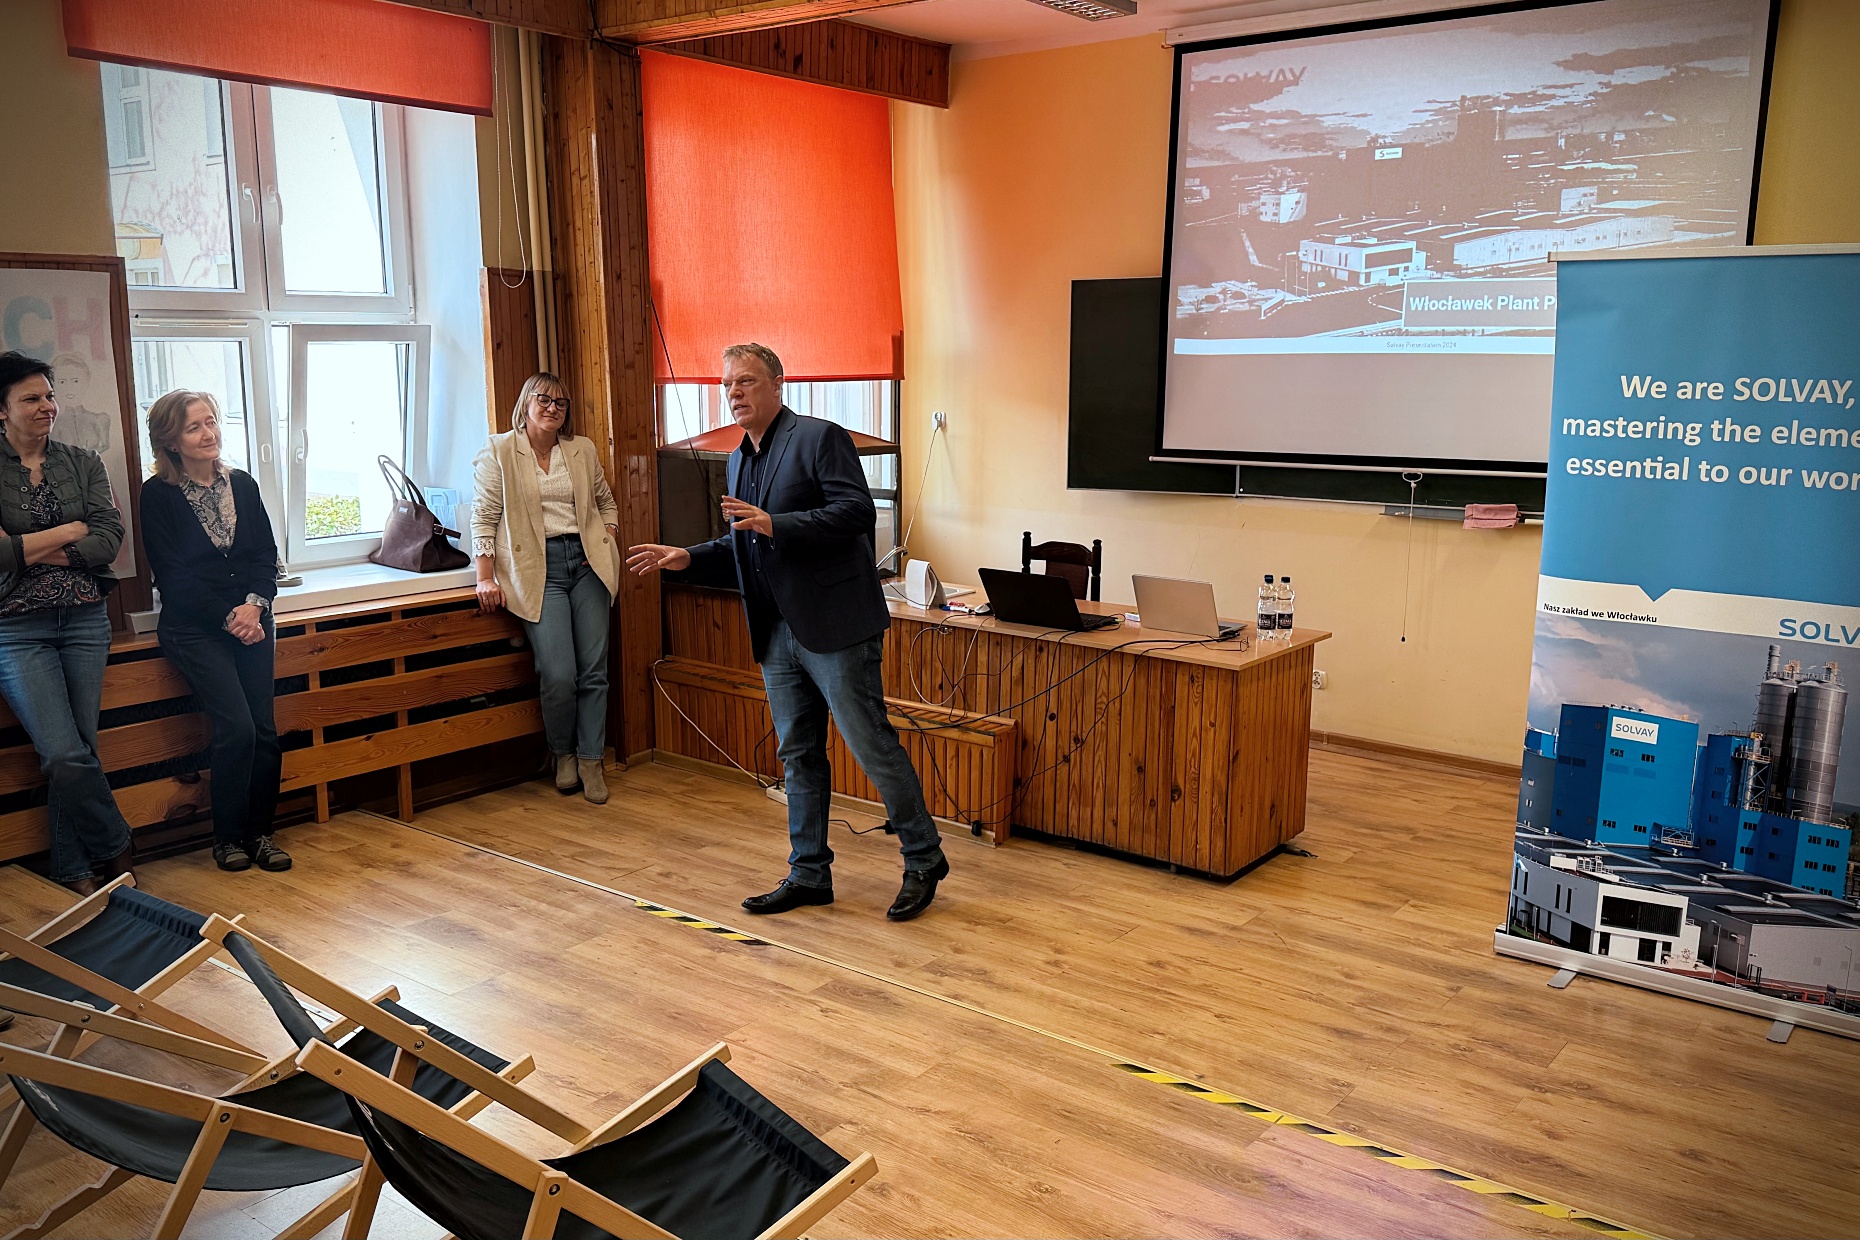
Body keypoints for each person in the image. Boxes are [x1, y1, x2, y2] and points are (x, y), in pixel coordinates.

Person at [628, 343, 950, 921]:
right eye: (727, 384)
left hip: (835, 625)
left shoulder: (819, 437)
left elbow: (856, 513)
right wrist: (689, 556)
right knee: (798, 754)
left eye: (746, 381)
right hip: (776, 629)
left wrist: (777, 523)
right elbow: (744, 541)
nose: (734, 393)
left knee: (872, 746)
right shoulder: (737, 459)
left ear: (778, 384)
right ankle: (809, 873)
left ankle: (924, 858)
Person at [139, 389, 290, 874]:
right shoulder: (157, 494)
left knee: (264, 730)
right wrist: (230, 617)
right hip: (194, 629)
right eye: (194, 427)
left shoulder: (241, 483)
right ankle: (228, 838)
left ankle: (260, 833)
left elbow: (265, 554)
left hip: (253, 618)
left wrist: (254, 606)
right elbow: (174, 577)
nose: (209, 433)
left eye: (211, 422)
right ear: (170, 441)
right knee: (237, 728)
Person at [0, 351, 134, 895]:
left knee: (80, 746)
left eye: (49, 396)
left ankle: (74, 872)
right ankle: (117, 844)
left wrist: (27, 547)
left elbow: (108, 539)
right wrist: (69, 531)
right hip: (14, 627)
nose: (47, 406)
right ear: (2, 409)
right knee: (62, 751)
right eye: (31, 398)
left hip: (84, 618)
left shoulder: (83, 462)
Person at [472, 373, 620, 803]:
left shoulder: (581, 449)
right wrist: (484, 576)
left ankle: (591, 759)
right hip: (538, 568)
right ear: (526, 403)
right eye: (544, 400)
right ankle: (563, 754)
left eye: (561, 403)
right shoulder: (500, 450)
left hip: (588, 563)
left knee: (594, 672)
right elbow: (484, 516)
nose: (553, 408)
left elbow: (605, 501)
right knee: (558, 674)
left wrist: (607, 536)